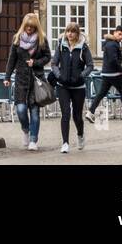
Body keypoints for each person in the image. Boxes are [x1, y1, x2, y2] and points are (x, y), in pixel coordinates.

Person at [4, 14, 50, 150]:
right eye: (27, 26)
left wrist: (35, 62)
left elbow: (48, 57)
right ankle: (25, 129)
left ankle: (33, 141)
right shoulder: (17, 39)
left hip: (36, 80)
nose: (29, 29)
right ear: (24, 26)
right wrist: (7, 77)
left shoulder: (42, 40)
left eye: (32, 27)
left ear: (36, 27)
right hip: (21, 80)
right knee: (21, 109)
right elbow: (11, 60)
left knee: (35, 112)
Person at [50, 22, 93, 153]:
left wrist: (82, 75)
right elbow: (54, 63)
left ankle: (80, 135)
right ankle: (65, 143)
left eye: (73, 31)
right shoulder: (61, 46)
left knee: (77, 116)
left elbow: (90, 65)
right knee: (65, 114)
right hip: (63, 86)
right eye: (68, 31)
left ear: (77, 33)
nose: (70, 34)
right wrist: (58, 75)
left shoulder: (83, 48)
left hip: (78, 87)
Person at [85, 27, 122, 122]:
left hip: (106, 73)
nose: (121, 37)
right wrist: (120, 69)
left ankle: (90, 112)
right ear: (114, 33)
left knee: (101, 93)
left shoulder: (108, 43)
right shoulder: (113, 45)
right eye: (119, 34)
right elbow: (113, 60)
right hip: (115, 73)